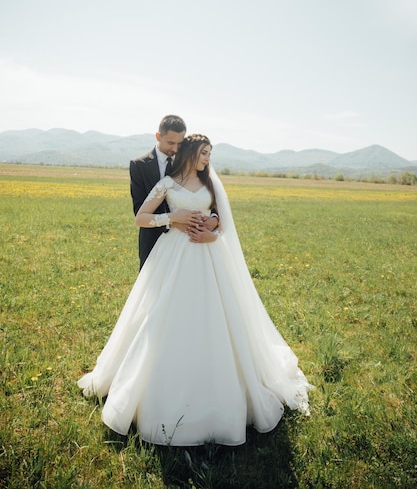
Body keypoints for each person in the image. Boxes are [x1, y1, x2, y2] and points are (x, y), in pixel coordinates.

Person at [78, 134, 313, 446]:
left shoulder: (210, 183)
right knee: (163, 316)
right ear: (190, 153)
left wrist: (211, 231)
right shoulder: (167, 184)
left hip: (208, 256)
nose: (207, 159)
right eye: (204, 153)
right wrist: (171, 218)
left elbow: (221, 220)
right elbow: (141, 218)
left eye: (209, 154)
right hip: (173, 255)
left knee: (216, 317)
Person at [129, 115, 219, 268]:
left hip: (199, 242)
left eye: (180, 143)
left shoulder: (192, 163)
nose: (175, 149)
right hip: (155, 238)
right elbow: (140, 209)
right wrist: (174, 220)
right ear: (158, 136)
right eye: (170, 143)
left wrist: (214, 220)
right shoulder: (139, 165)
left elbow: (210, 202)